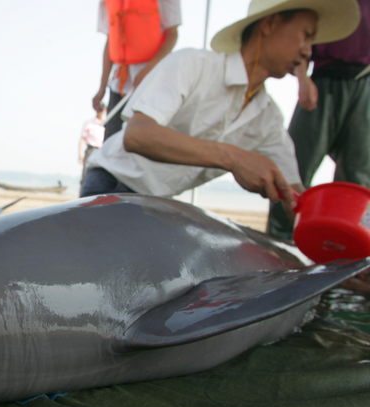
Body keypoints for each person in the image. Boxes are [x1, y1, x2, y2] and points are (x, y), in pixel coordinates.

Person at [81, 0, 361, 217]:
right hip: (111, 187)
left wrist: (345, 252)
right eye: (306, 35)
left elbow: (295, 198)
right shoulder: (193, 64)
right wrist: (234, 158)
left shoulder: (269, 119)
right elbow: (137, 136)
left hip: (156, 205)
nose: (307, 51)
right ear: (271, 23)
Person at [267, 0, 370, 241]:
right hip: (323, 79)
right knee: (296, 165)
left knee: (359, 176)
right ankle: (280, 241)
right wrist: (303, 79)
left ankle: (349, 247)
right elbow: (306, 33)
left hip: (364, 82)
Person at [92, 0, 181, 140]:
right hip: (118, 87)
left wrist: (148, 70)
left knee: (147, 140)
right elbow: (111, 40)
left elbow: (173, 34)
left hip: (153, 82)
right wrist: (102, 87)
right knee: (111, 139)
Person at [78, 104, 106, 184]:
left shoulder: (106, 123)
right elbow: (82, 139)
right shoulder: (89, 123)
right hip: (91, 150)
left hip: (102, 151)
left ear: (105, 110)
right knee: (85, 176)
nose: (100, 111)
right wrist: (80, 155)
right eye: (99, 109)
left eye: (102, 109)